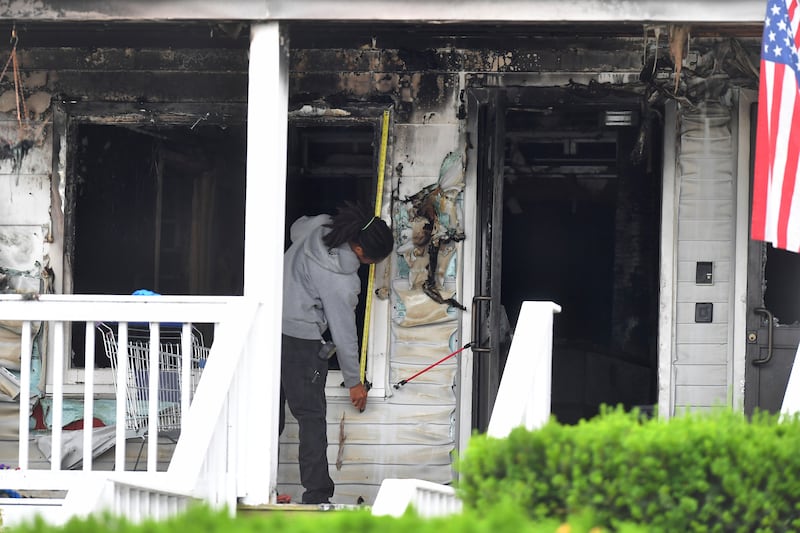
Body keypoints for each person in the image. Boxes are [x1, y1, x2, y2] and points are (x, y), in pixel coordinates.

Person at [280, 201, 394, 504]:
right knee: (311, 417)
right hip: (301, 340)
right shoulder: (342, 279)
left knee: (268, 413)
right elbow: (344, 336)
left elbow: (295, 228)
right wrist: (354, 382)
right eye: (371, 260)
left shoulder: (320, 227)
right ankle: (316, 495)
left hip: (269, 331)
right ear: (359, 250)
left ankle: (257, 484)